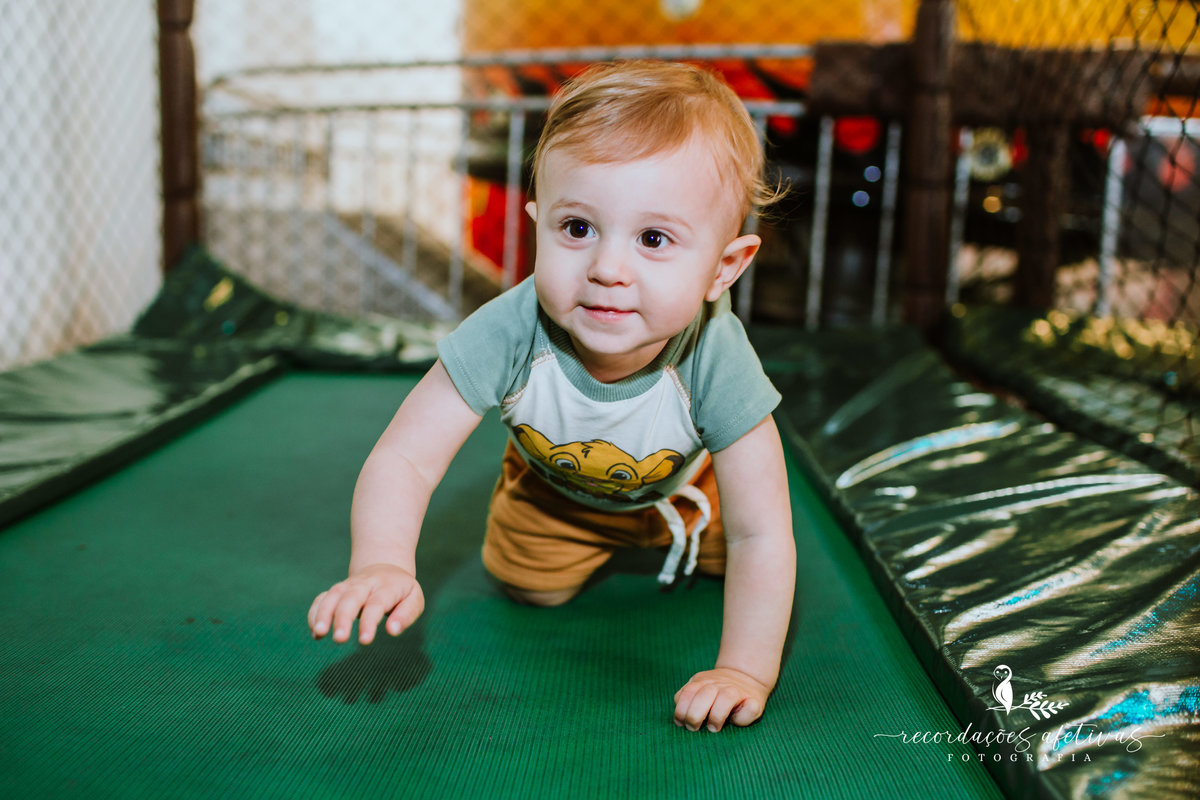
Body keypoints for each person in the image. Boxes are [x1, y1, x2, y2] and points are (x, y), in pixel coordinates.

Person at [307, 60, 796, 733]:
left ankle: (668, 547)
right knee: (530, 590)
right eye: (577, 228)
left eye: (654, 239)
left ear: (724, 267)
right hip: (554, 499)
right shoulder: (508, 332)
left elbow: (760, 529)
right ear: (536, 224)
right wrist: (383, 562)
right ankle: (577, 541)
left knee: (747, 562)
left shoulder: (715, 357)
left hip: (692, 501)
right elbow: (406, 459)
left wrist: (744, 669)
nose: (606, 268)